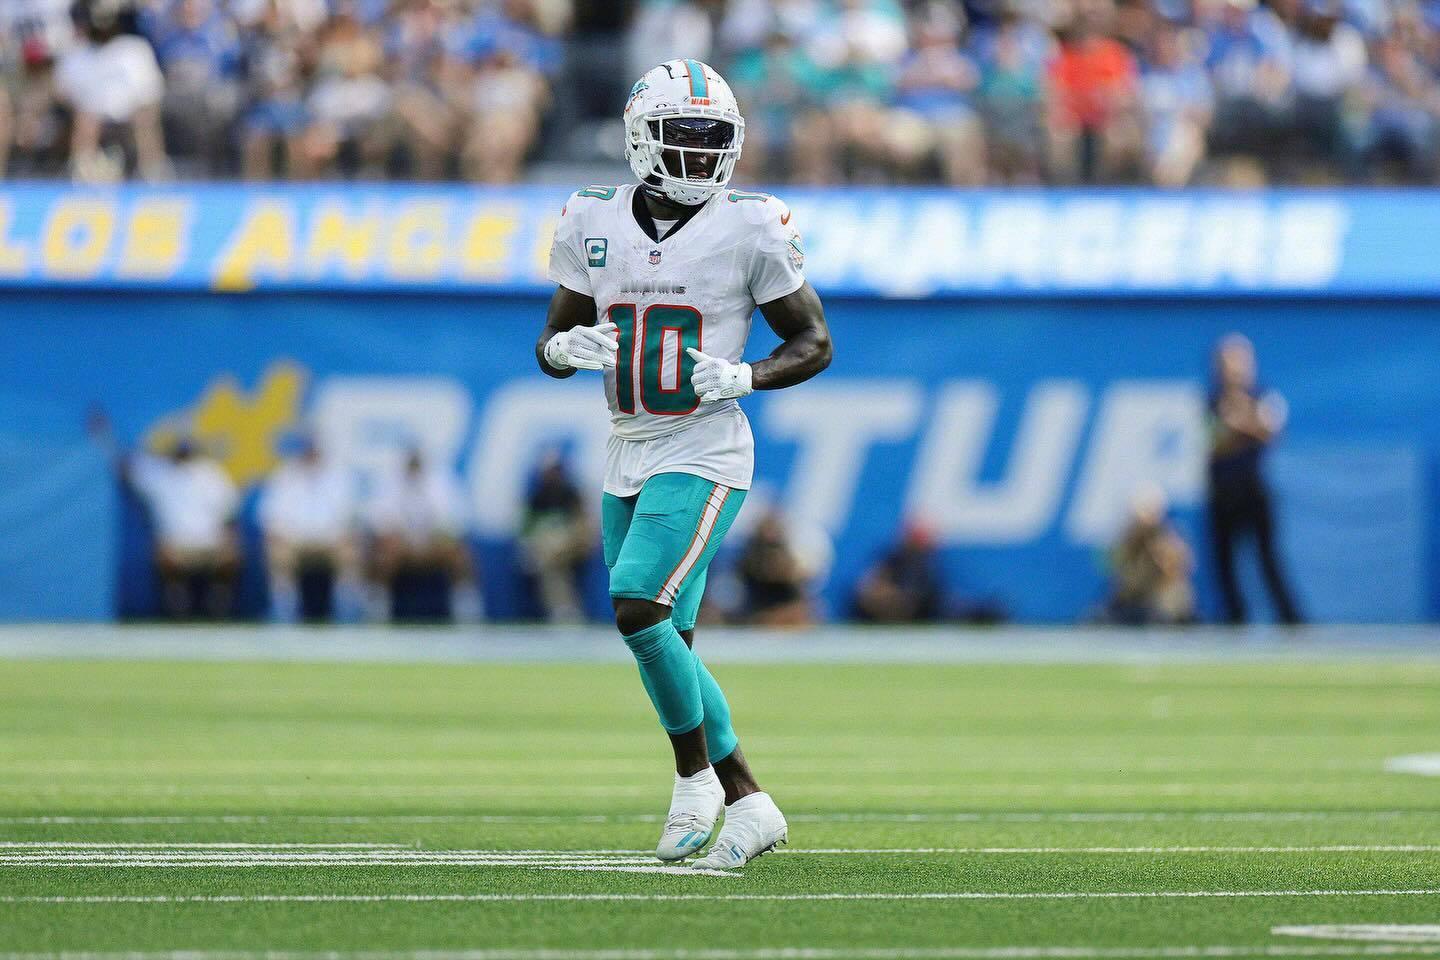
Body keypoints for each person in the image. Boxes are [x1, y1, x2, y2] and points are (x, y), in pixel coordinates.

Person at [536, 59, 832, 869]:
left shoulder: (751, 224)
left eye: (714, 140)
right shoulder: (591, 217)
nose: (701, 155)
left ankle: (715, 785)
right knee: (669, 636)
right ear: (641, 139)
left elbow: (813, 341)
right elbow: (552, 336)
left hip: (705, 444)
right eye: (684, 137)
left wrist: (749, 375)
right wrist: (562, 351)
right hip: (626, 445)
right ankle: (727, 795)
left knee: (636, 603)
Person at [1207, 333, 1303, 625]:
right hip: (1222, 490)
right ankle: (1235, 619)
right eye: (1227, 363)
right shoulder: (1210, 401)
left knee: (1268, 557)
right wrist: (1243, 430)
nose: (1233, 370)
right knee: (1224, 561)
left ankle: (1291, 619)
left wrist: (1240, 424)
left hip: (1253, 488)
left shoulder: (1263, 396)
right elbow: (1212, 442)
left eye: (1239, 362)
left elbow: (1270, 430)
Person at [125, 436, 241, 619]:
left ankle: (218, 603)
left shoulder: (210, 473)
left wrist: (229, 542)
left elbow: (229, 514)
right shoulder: (159, 474)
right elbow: (126, 467)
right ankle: (177, 604)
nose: (183, 456)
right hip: (175, 544)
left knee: (231, 552)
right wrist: (104, 436)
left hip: (210, 543)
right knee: (165, 553)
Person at [366, 447, 483, 622]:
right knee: (386, 552)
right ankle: (378, 608)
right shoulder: (389, 484)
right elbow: (380, 520)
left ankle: (466, 609)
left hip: (434, 545)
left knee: (458, 552)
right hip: (403, 545)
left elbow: (455, 521)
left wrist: (430, 538)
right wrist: (406, 538)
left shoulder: (442, 482)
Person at [258, 434, 360, 622]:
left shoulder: (338, 477)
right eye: (307, 450)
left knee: (348, 551)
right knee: (277, 552)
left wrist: (336, 538)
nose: (311, 454)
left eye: (314, 450)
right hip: (293, 543)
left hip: (331, 542)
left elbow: (349, 518)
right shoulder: (284, 477)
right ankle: (284, 611)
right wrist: (285, 538)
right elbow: (271, 518)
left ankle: (346, 611)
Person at [1104, 486, 1196, 625]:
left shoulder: (1170, 542)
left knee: (1171, 603)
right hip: (1135, 600)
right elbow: (1123, 577)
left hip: (1161, 601)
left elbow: (1177, 573)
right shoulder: (1127, 541)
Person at [518, 451, 592, 623]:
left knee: (549, 559)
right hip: (547, 550)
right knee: (549, 562)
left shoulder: (571, 494)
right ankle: (564, 608)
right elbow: (526, 530)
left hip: (572, 547)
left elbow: (583, 528)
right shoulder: (537, 498)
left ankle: (562, 608)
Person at [853, 520, 946, 623]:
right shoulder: (892, 560)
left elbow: (920, 598)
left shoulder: (928, 567)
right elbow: (868, 586)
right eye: (916, 536)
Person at [735, 508, 813, 626]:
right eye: (766, 554)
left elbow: (801, 612)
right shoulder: (748, 568)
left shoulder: (791, 582)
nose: (772, 561)